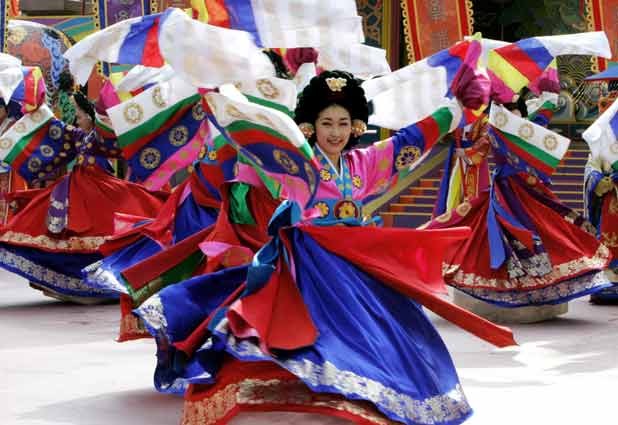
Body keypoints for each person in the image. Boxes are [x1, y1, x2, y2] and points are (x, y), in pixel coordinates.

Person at [134, 70, 515, 424]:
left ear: (356, 126)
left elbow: (412, 140)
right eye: (327, 123)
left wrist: (456, 109)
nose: (335, 132)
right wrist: (219, 99)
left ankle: (360, 392)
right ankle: (296, 390)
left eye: (343, 123)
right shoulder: (293, 160)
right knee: (295, 330)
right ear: (311, 126)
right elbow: (250, 141)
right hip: (307, 263)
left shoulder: (365, 162)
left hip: (354, 263)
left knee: (377, 334)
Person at [424, 90, 611, 308]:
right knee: (489, 226)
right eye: (508, 112)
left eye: (516, 113)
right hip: (504, 188)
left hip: (527, 187)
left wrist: (548, 99)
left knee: (546, 226)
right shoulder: (494, 130)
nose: (513, 117)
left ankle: (544, 279)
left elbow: (540, 130)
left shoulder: (524, 131)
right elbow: (480, 150)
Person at [0, 91, 168, 303]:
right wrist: (39, 110)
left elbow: (114, 136)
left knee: (100, 232)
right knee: (41, 222)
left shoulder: (100, 137)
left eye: (79, 116)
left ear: (90, 118)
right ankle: (72, 281)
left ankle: (99, 283)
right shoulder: (82, 136)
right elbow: (58, 128)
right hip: (75, 187)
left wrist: (106, 107)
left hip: (97, 190)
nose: (77, 120)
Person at [584, 154, 618, 303]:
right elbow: (591, 169)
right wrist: (598, 182)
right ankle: (605, 288)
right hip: (608, 201)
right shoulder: (600, 144)